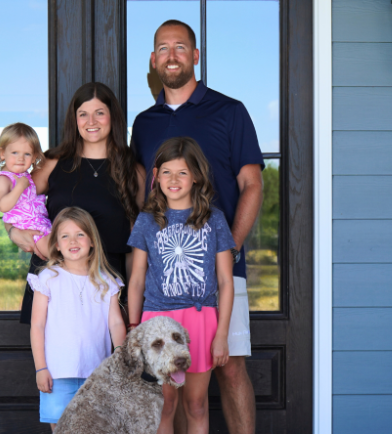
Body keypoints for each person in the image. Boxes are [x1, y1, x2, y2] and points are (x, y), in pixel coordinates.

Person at [130, 19, 264, 434]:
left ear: (196, 56)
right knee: (169, 391)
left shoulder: (229, 111)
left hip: (221, 269)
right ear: (153, 60)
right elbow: (142, 191)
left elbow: (252, 185)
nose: (172, 55)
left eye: (181, 47)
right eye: (163, 49)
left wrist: (229, 247)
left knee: (230, 366)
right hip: (165, 284)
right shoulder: (145, 122)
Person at [7, 82, 146, 323]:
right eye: (83, 114)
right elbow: (15, 205)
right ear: (75, 119)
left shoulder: (133, 172)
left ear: (112, 117)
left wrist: (132, 314)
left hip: (107, 292)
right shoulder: (53, 162)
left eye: (99, 112)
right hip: (55, 285)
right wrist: (13, 232)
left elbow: (136, 248)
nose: (91, 121)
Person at [127, 137, 235, 434]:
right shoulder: (147, 220)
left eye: (182, 172)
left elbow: (226, 281)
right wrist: (134, 329)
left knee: (197, 404)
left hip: (201, 321)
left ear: (196, 176)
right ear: (156, 176)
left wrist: (222, 333)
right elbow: (136, 278)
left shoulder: (214, 220)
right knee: (164, 405)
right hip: (157, 323)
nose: (173, 180)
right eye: (167, 172)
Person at [29, 206, 126, 431]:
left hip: (96, 373)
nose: (73, 241)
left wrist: (121, 360)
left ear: (92, 240)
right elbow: (37, 325)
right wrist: (40, 368)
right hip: (57, 373)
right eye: (65, 236)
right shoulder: (48, 278)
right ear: (56, 245)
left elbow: (116, 323)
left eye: (80, 234)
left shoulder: (106, 281)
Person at [0, 122, 52, 258]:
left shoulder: (25, 176)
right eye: (14, 152)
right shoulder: (4, 179)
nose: (20, 158)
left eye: (27, 154)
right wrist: (19, 187)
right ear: (2, 153)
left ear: (34, 157)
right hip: (28, 228)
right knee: (56, 255)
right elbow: (3, 205)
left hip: (42, 223)